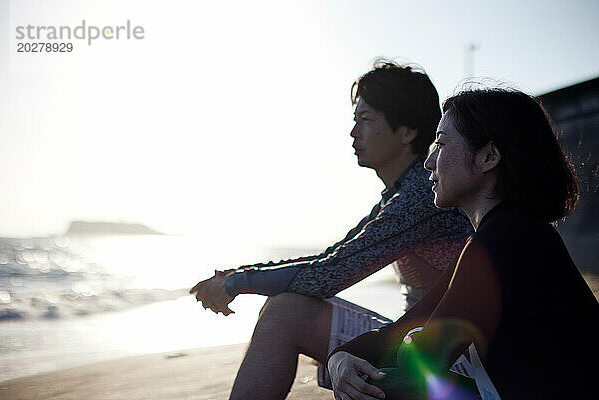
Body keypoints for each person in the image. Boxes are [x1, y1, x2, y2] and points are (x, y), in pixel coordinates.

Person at [190, 61, 472, 399]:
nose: (354, 133)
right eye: (355, 121)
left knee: (286, 312)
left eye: (366, 121)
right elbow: (332, 258)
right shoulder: (403, 192)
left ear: (407, 132)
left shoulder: (419, 195)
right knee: (285, 306)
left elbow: (328, 274)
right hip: (426, 339)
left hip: (454, 357)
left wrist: (236, 283)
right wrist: (239, 274)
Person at [327, 88, 599, 399]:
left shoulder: (509, 239)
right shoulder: (503, 233)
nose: (429, 162)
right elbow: (404, 329)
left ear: (488, 156)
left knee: (384, 386)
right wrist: (340, 358)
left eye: (440, 144)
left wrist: (401, 346)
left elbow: (422, 356)